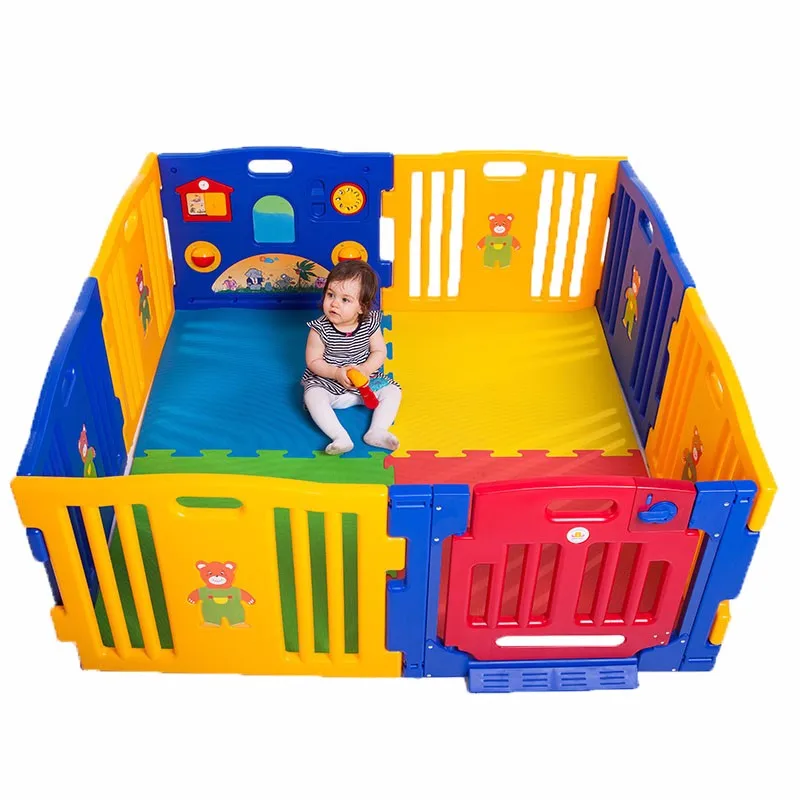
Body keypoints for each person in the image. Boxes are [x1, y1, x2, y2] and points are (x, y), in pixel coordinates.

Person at [301, 260, 401, 454]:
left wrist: (365, 369)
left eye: (345, 300)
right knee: (312, 395)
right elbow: (313, 361)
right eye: (330, 295)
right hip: (328, 382)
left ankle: (377, 431)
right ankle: (339, 436)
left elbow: (379, 351)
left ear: (362, 307)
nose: (334, 303)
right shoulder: (319, 329)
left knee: (393, 390)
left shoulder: (370, 323)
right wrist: (336, 373)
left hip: (365, 384)